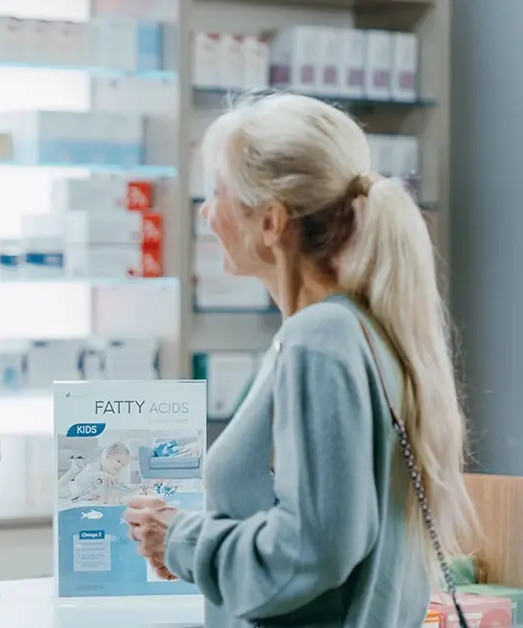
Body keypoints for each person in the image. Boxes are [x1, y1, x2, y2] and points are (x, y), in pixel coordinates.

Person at [125, 93, 476, 627]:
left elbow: (310, 551)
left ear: (271, 223)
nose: (206, 211)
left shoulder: (321, 338)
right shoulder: (354, 329)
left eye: (218, 192)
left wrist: (181, 538)